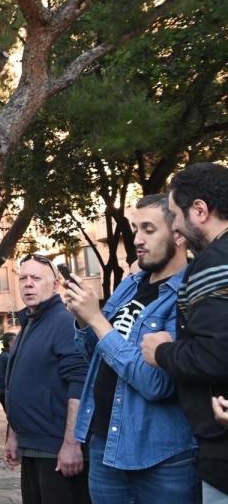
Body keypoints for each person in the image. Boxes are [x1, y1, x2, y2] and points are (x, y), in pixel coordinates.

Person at [64, 194, 197, 503]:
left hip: (161, 457)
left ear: (178, 232)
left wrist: (97, 319)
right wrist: (83, 319)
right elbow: (96, 357)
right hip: (104, 444)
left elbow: (156, 384)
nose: (137, 239)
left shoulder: (187, 293)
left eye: (148, 229)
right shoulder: (130, 285)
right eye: (135, 229)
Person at [140, 163, 228, 501]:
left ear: (200, 211)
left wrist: (162, 352)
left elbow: (217, 355)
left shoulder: (213, 262)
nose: (175, 226)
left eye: (175, 214)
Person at [4, 254, 90, 504]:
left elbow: (80, 383)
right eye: (23, 278)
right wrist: (13, 434)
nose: (27, 284)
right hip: (31, 449)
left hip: (56, 454)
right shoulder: (29, 324)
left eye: (36, 278)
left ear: (55, 285)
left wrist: (72, 444)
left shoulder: (64, 322)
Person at [0, 332, 15, 411]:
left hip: (5, 391)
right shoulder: (7, 357)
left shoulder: (5, 355)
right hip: (7, 392)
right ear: (10, 343)